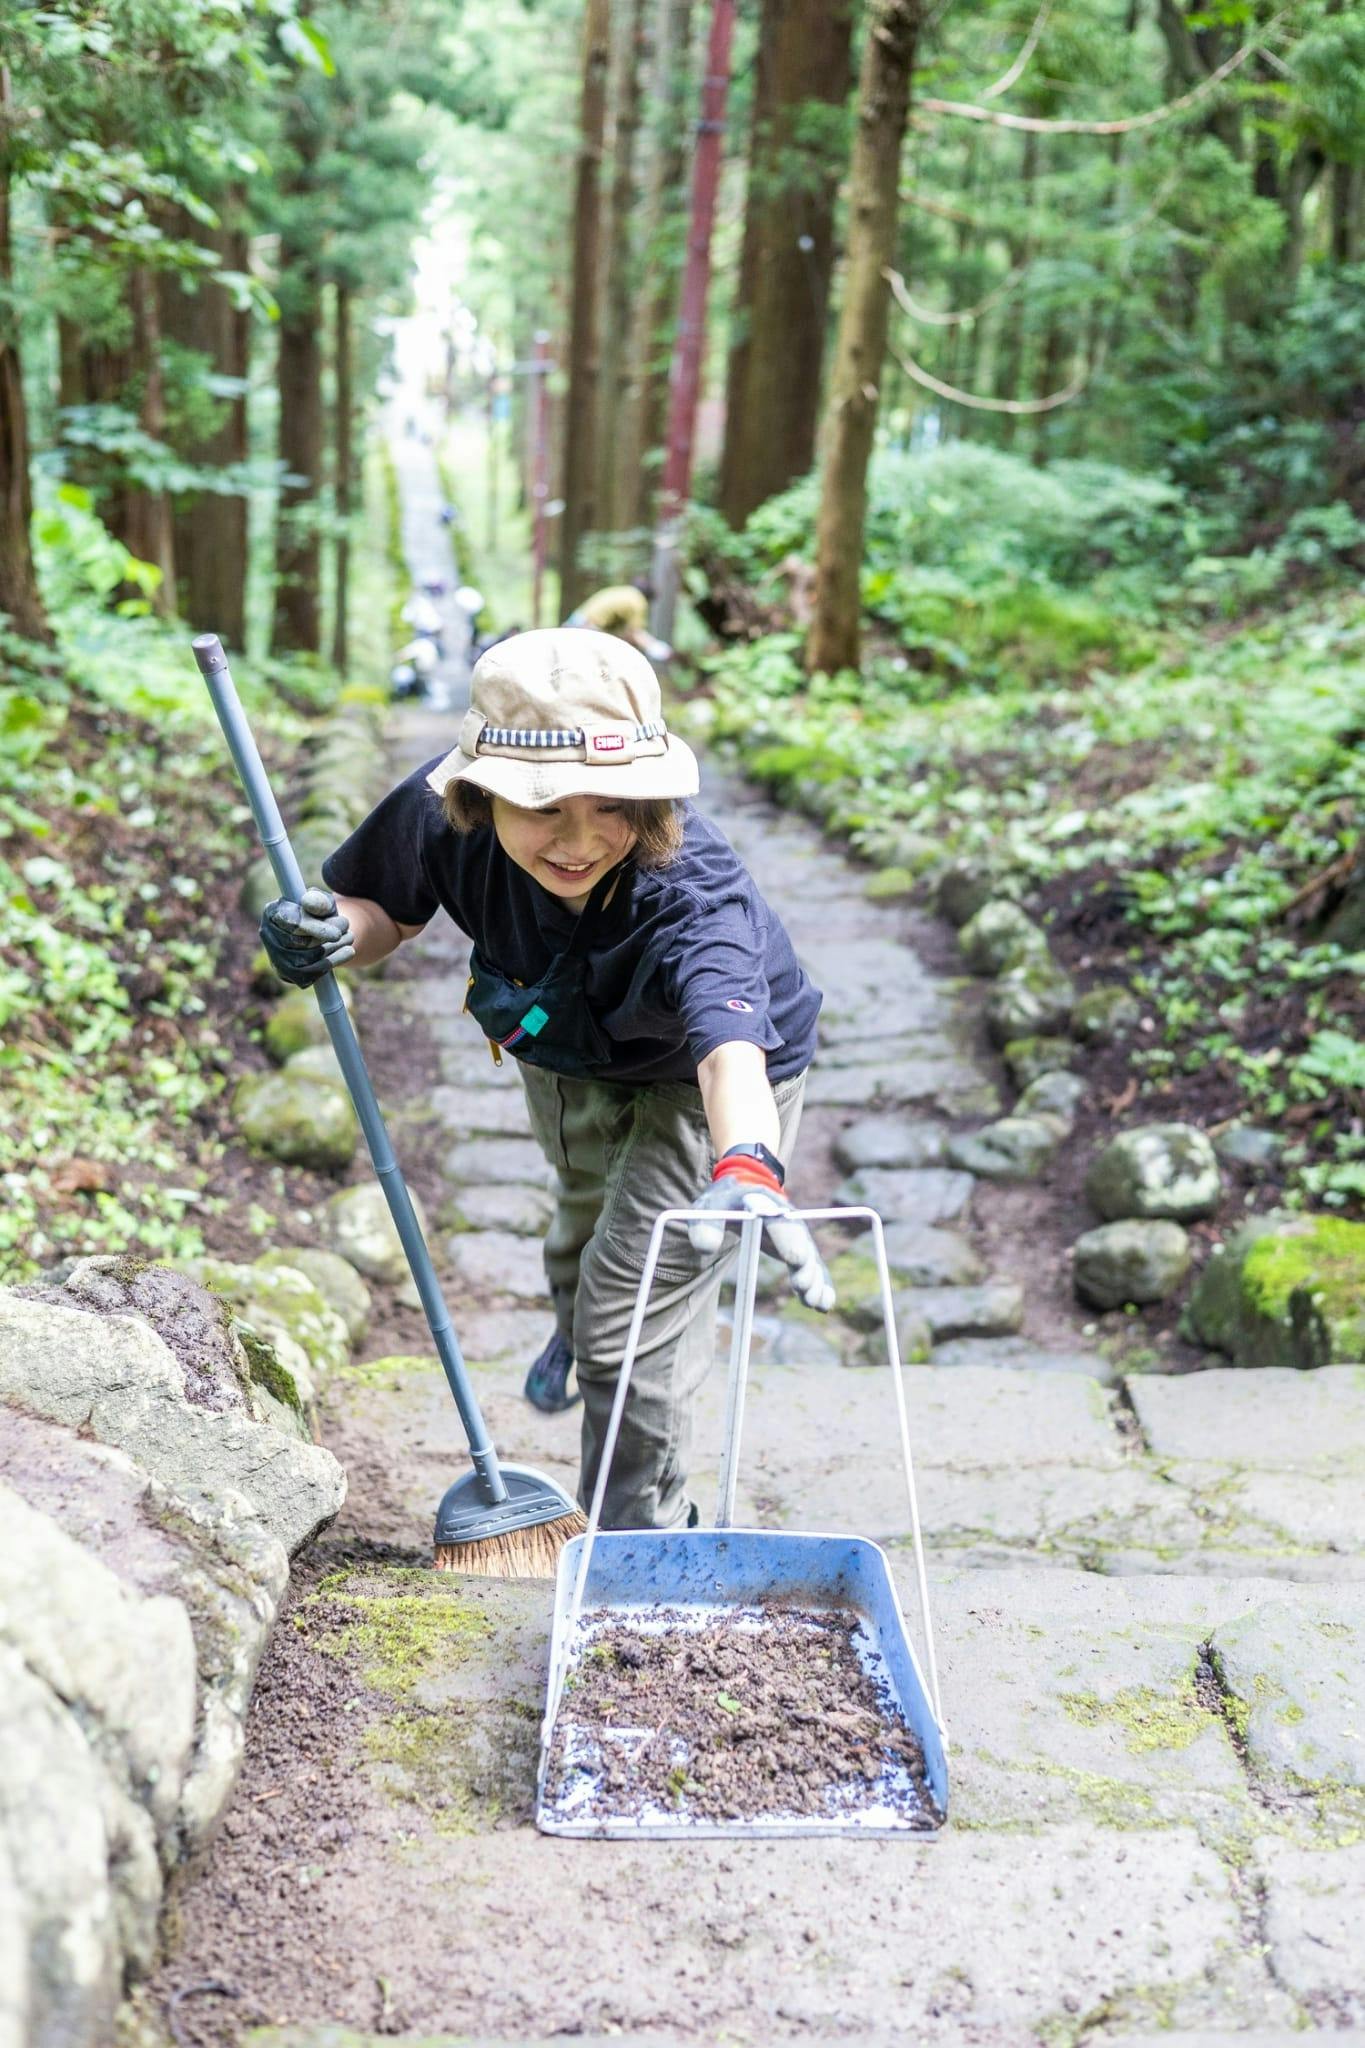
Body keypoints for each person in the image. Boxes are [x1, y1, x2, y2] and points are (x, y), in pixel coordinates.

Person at [256, 628, 833, 1532]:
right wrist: (328, 934)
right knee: (580, 1227)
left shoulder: (692, 893)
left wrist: (749, 1167)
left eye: (612, 806)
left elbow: (729, 1052)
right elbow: (379, 914)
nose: (579, 840)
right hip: (560, 1045)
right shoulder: (438, 812)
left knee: (628, 1314)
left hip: (700, 1091)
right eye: (544, 807)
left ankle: (641, 1537)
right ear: (479, 795)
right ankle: (580, 1324)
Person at [567, 580, 671, 666]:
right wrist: (658, 649)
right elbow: (636, 633)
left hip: (576, 621)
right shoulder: (638, 600)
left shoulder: (625, 591)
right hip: (587, 627)